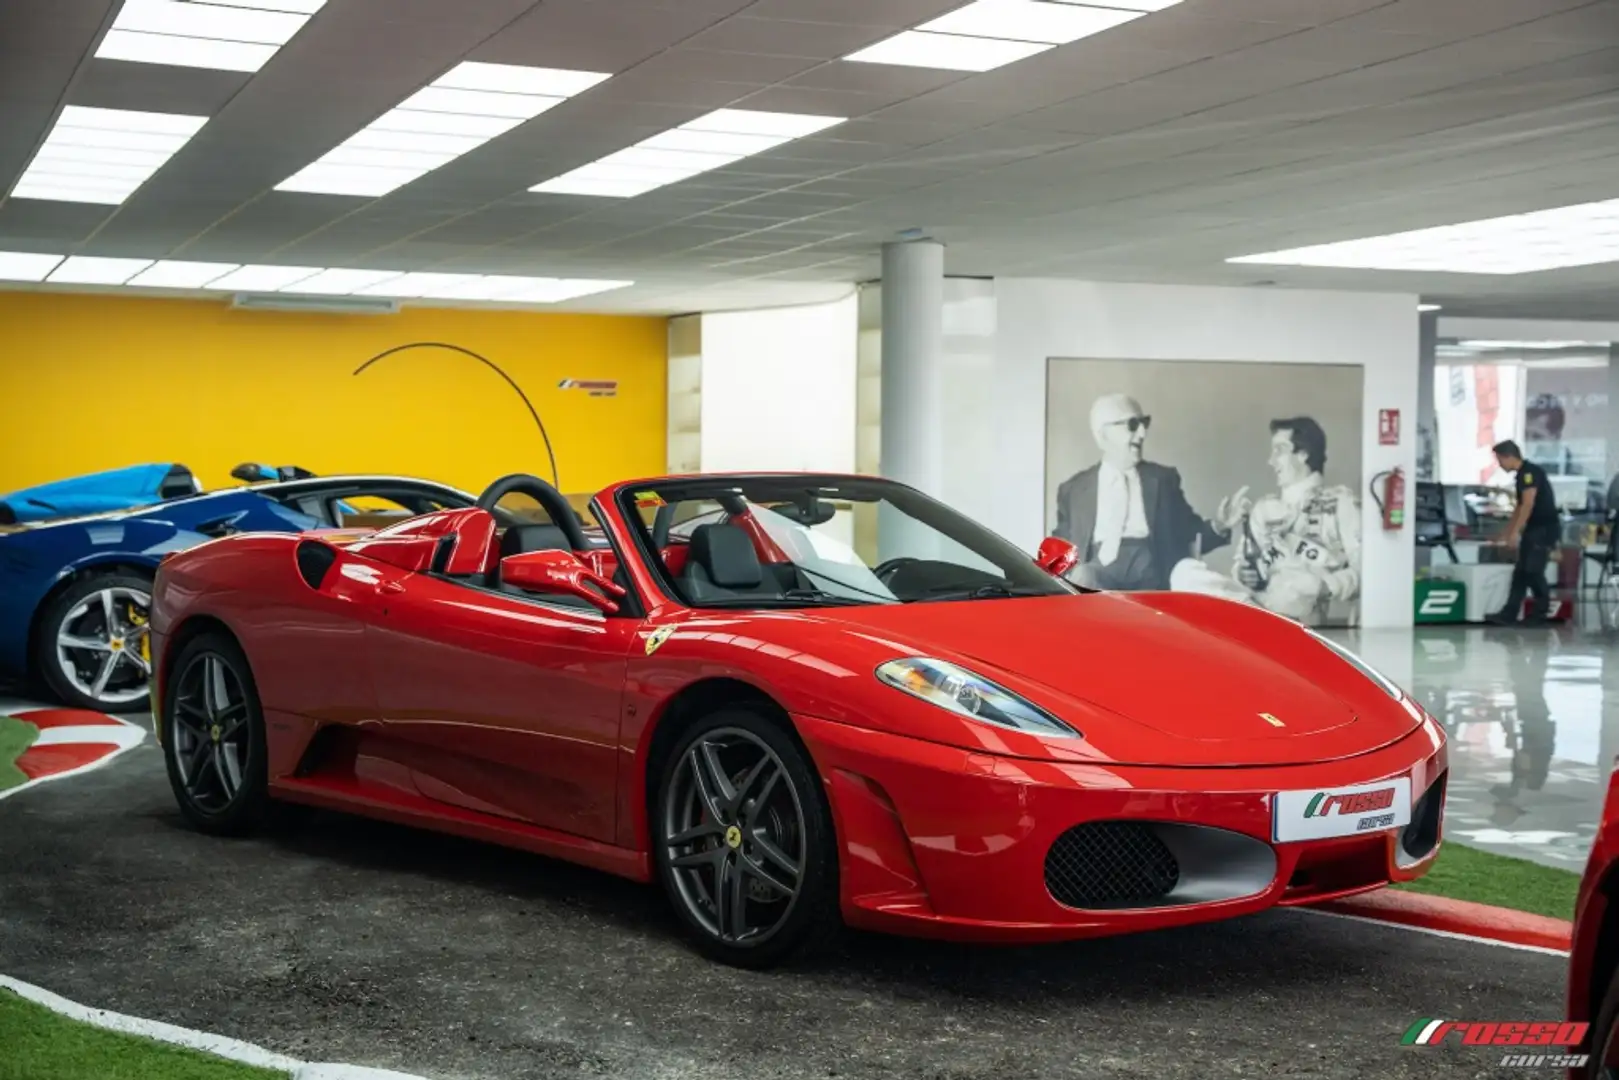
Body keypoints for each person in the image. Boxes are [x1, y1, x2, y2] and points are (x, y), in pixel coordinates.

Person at [1054, 394, 1244, 591]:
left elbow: (1188, 533)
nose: (1143, 433)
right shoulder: (1073, 490)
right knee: (1082, 577)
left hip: (1149, 571)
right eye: (1133, 424)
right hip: (1098, 573)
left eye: (1145, 423)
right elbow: (1059, 548)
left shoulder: (1162, 480)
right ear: (1103, 435)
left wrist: (1220, 525)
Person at [1230, 417, 1361, 624]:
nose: (1271, 461)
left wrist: (1324, 587)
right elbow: (1242, 565)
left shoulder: (1341, 503)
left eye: (1279, 450)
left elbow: (1365, 571)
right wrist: (1244, 574)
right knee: (1187, 572)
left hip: (1308, 621)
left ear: (1302, 454)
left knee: (1292, 585)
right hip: (1258, 609)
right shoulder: (1264, 509)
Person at [1486, 439, 1560, 626]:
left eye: (1499, 459)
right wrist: (1507, 532)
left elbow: (1528, 504)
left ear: (1508, 457)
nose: (1499, 464)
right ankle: (1508, 614)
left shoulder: (1529, 473)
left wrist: (1515, 533)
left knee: (1532, 570)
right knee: (1520, 573)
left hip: (1543, 529)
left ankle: (1541, 611)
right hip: (1534, 528)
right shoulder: (1522, 475)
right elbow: (1519, 508)